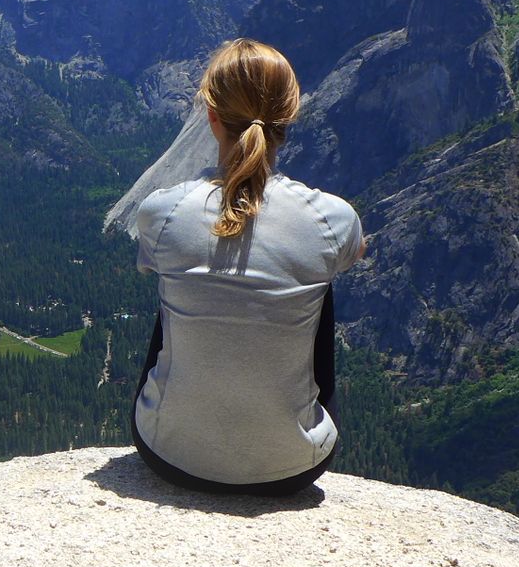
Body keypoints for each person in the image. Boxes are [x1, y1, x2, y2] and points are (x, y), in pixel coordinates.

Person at [130, 38, 364, 496]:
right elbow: (356, 252)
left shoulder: (163, 211)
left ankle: (183, 415)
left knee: (178, 284)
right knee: (318, 280)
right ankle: (288, 430)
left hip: (170, 455)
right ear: (288, 118)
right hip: (293, 467)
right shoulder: (333, 219)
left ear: (211, 117)